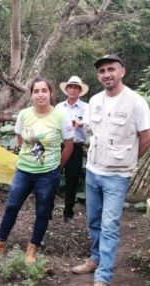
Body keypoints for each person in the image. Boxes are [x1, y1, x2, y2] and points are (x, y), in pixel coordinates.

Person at [71, 55, 150, 286]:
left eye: (111, 70)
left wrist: (128, 160)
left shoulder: (136, 103)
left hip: (117, 175)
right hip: (94, 171)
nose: (106, 74)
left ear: (122, 72)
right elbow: (91, 131)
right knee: (94, 220)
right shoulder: (95, 100)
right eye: (102, 71)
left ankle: (103, 277)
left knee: (109, 225)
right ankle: (96, 259)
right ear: (98, 76)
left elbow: (146, 139)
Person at [0, 77, 74, 264]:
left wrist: (57, 167)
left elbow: (69, 145)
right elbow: (21, 139)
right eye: (36, 91)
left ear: (50, 93)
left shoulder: (60, 116)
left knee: (42, 211)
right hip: (24, 170)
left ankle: (32, 249)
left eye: (44, 90)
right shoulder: (24, 114)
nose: (40, 94)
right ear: (31, 95)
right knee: (12, 206)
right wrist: (30, 156)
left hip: (47, 174)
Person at [55, 76, 89, 223]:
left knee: (72, 180)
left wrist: (80, 123)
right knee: (52, 177)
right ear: (66, 89)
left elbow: (89, 123)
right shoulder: (59, 107)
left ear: (80, 90)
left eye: (76, 87)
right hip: (59, 146)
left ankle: (68, 213)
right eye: (71, 87)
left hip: (75, 147)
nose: (73, 90)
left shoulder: (86, 107)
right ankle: (48, 209)